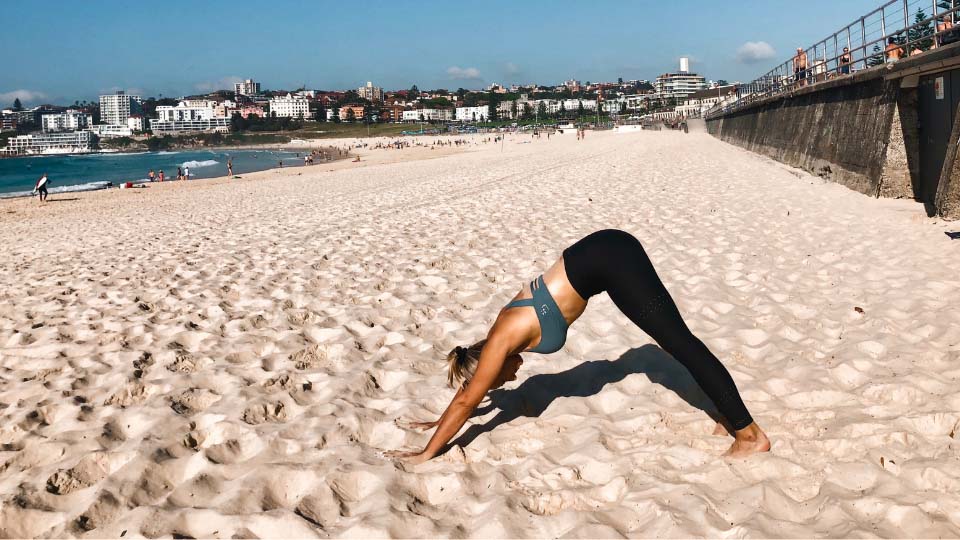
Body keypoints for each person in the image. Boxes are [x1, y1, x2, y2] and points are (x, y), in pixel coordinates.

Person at [385, 229, 770, 464]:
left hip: (611, 258)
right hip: (604, 258)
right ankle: (726, 414)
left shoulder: (501, 341)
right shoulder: (493, 340)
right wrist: (438, 422)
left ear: (488, 364)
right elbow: (468, 395)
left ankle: (749, 435)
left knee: (680, 343)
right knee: (678, 342)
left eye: (498, 382)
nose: (508, 379)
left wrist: (426, 453)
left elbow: (470, 400)